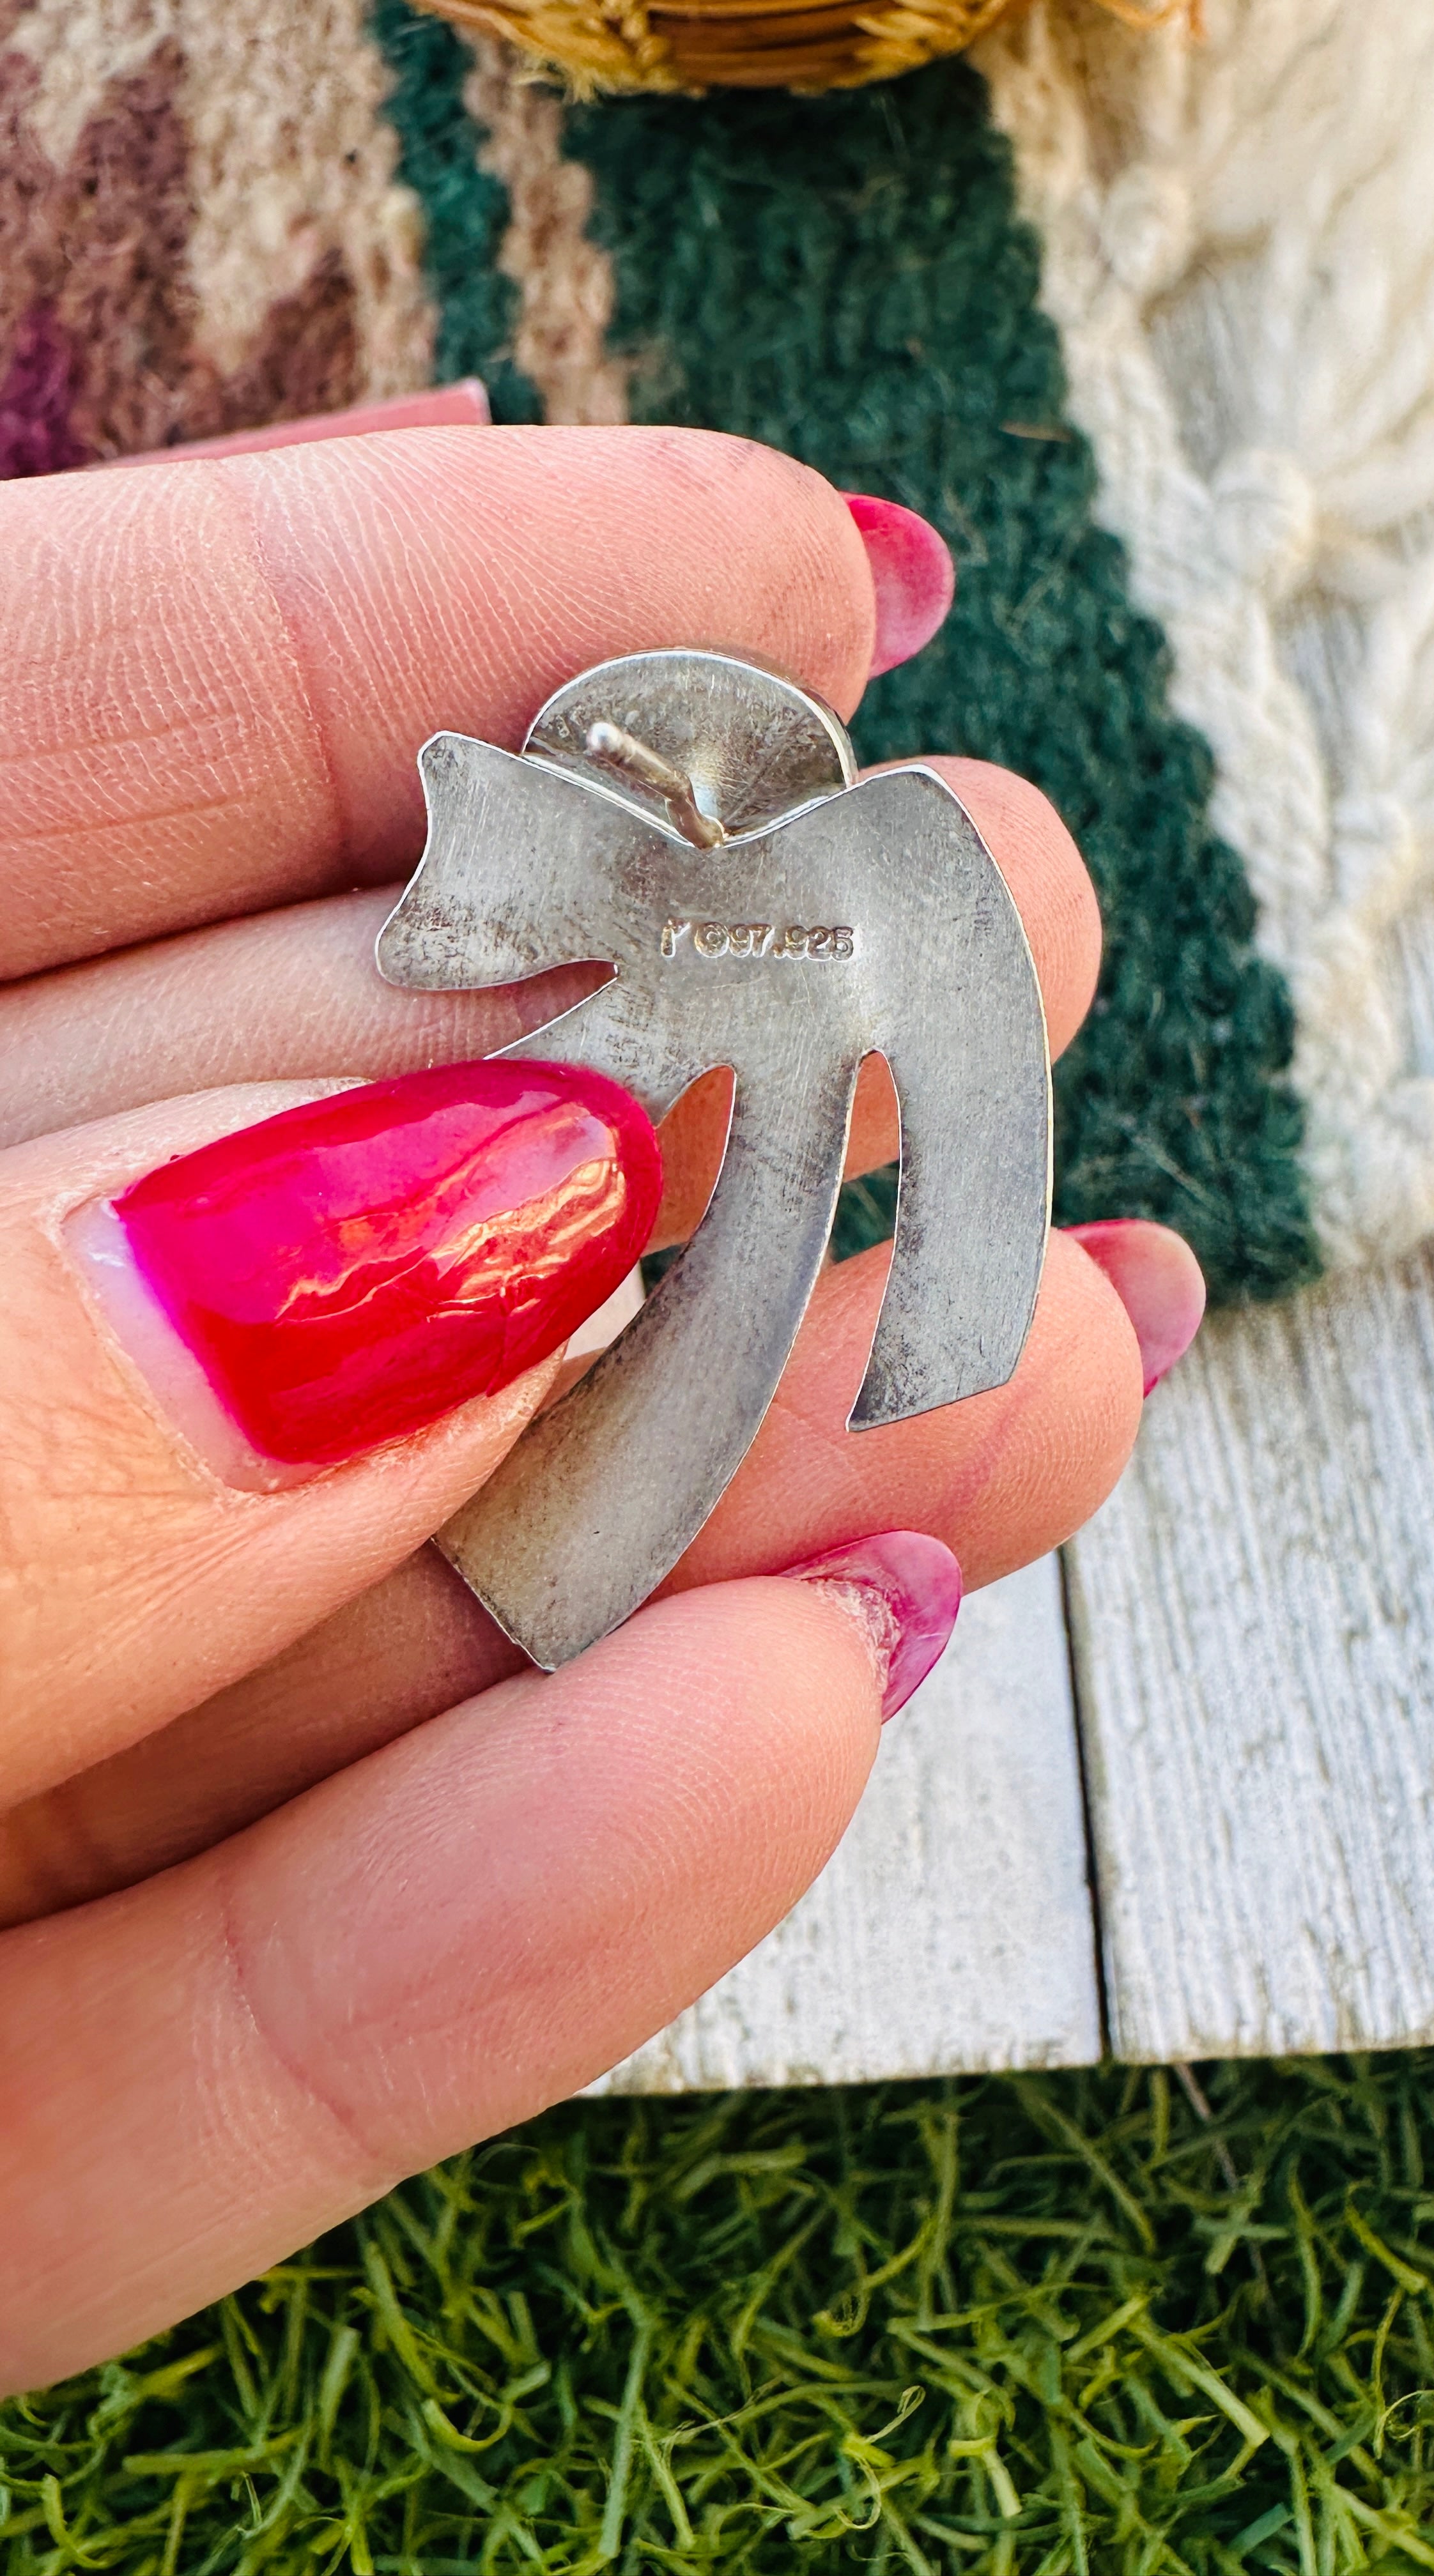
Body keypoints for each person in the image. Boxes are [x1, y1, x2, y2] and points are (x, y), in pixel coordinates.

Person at [0, 424, 1205, 2393]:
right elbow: (966, 1205)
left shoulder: (861, 909)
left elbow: (976, 1192)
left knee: (736, 1361)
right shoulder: (797, 917)